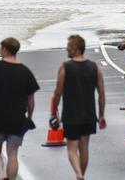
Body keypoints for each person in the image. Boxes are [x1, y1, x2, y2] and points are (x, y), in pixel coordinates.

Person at [0, 37, 39, 180]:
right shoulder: (25, 72)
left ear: (5, 49)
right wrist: (29, 118)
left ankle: (0, 175)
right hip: (17, 119)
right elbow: (31, 99)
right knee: (13, 155)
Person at [51, 35, 106, 180]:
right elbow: (101, 94)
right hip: (89, 114)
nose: (67, 48)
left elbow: (58, 92)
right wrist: (101, 115)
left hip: (71, 114)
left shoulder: (65, 67)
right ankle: (81, 175)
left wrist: (53, 113)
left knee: (71, 148)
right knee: (84, 148)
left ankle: (78, 174)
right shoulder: (95, 67)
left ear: (75, 48)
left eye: (69, 46)